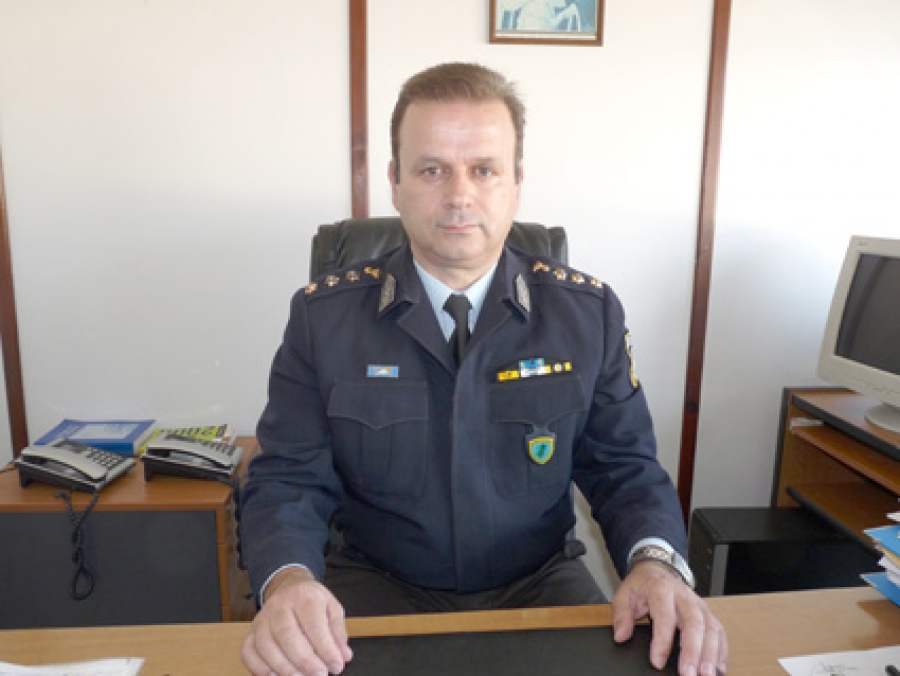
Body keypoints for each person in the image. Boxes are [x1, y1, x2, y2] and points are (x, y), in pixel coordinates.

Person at [239, 62, 728, 676]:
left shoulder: (587, 315)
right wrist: (287, 582)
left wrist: (656, 564)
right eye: (432, 169)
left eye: (484, 170)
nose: (459, 195)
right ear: (394, 182)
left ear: (516, 182)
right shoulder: (325, 318)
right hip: (375, 588)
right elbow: (288, 478)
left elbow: (625, 468)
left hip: (539, 585)